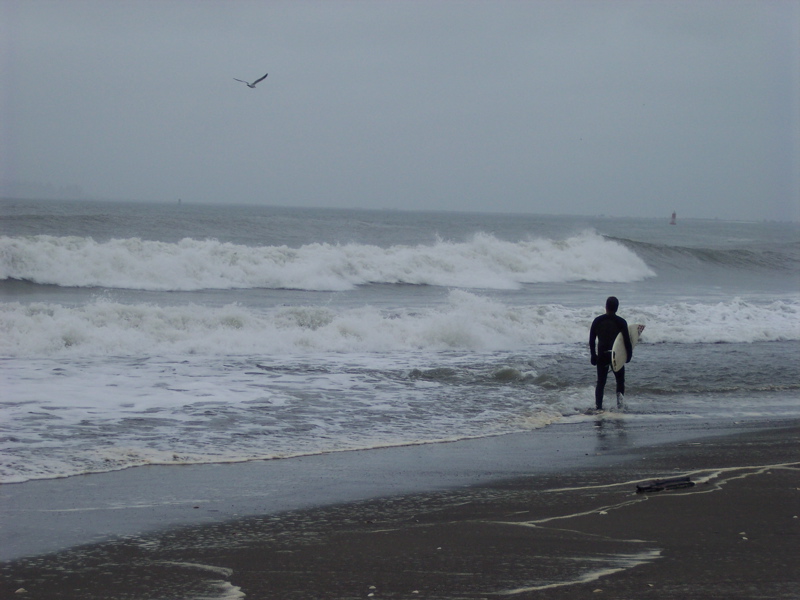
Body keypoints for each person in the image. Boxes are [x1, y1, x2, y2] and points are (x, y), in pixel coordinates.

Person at [589, 296, 632, 411]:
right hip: (616, 355)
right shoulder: (621, 322)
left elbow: (592, 339)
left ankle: (598, 407)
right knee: (620, 381)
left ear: (606, 306)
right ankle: (620, 406)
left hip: (602, 355)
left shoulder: (598, 321)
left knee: (601, 382)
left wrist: (593, 355)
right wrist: (628, 355)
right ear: (617, 308)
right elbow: (627, 341)